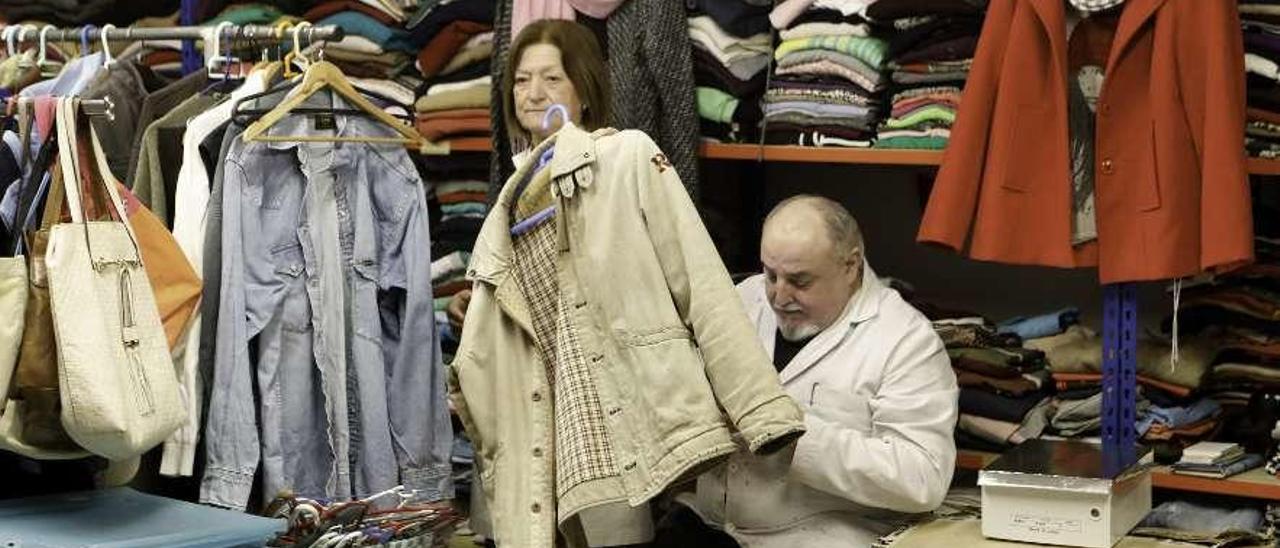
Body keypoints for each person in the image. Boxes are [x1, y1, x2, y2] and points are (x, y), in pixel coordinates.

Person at [449, 19, 804, 548]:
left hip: (613, 413)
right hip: (538, 428)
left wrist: (760, 410)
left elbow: (700, 281)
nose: (533, 93)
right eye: (521, 80)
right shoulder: (506, 207)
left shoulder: (627, 159)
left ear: (585, 91)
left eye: (551, 78)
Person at [665, 195, 959, 547]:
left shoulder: (905, 341)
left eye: (800, 281)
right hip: (709, 524)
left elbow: (922, 480)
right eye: (770, 274)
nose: (778, 296)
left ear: (850, 266)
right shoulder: (742, 299)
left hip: (819, 536)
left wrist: (788, 435)